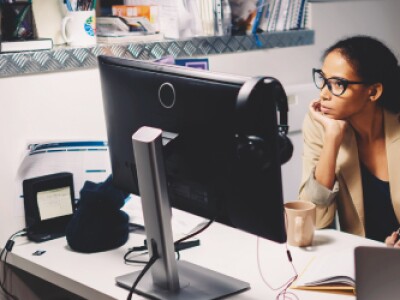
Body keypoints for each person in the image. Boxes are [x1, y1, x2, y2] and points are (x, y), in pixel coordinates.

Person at [298, 35, 400, 245]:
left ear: (373, 92)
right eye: (324, 80)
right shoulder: (320, 124)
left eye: (338, 84)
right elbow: (314, 220)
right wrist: (332, 139)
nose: (324, 94)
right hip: (363, 262)